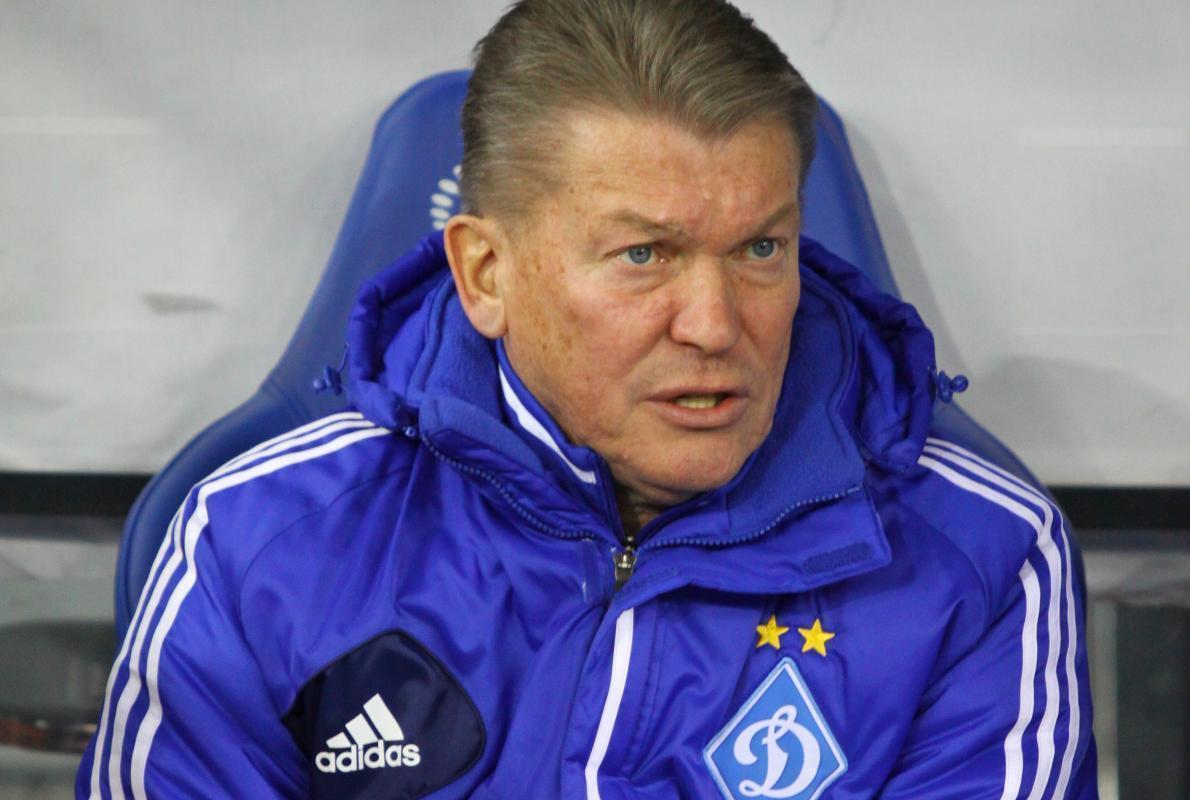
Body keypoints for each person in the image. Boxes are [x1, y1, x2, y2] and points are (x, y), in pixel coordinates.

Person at [78, 0, 1096, 797]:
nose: (714, 325)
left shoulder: (979, 555)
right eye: (643, 254)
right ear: (486, 275)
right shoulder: (260, 535)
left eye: (759, 248)